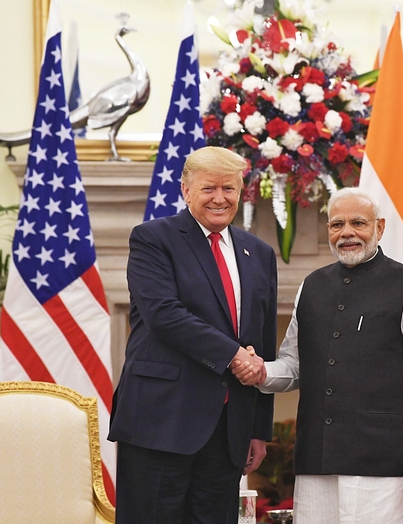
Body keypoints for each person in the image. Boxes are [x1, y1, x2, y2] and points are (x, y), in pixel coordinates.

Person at [233, 187, 403, 524]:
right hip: (316, 464)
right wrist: (262, 372)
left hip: (384, 467)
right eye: (337, 225)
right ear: (328, 231)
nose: (347, 233)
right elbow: (294, 365)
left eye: (358, 223)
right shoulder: (312, 285)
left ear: (379, 228)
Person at [109, 146, 277, 524]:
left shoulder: (259, 253)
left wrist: (257, 429)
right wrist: (235, 356)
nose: (220, 198)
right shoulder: (153, 239)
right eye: (208, 189)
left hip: (228, 429)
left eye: (229, 189)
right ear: (185, 190)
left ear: (241, 191)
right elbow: (164, 315)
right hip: (161, 421)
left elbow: (262, 343)